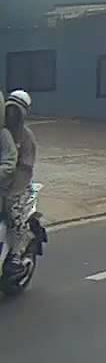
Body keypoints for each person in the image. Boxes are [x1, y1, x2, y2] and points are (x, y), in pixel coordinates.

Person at [1, 90, 37, 261]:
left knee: (12, 212)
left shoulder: (26, 137)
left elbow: (25, 167)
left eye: (16, 111)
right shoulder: (2, 132)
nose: (12, 114)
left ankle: (16, 250)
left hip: (17, 184)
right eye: (9, 110)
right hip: (2, 181)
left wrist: (12, 190)